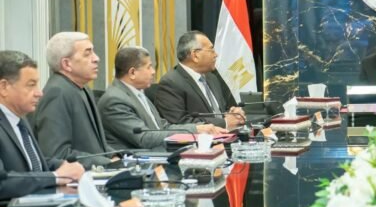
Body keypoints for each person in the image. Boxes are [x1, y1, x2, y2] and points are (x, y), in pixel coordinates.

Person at [99, 46, 227, 151]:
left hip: (157, 155)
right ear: (132, 72)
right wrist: (194, 132)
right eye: (149, 67)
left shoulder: (137, 93)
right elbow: (143, 138)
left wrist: (199, 128)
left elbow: (162, 127)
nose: (153, 72)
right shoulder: (115, 100)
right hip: (134, 163)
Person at [0, 51, 85, 200]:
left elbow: (30, 164)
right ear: (4, 87)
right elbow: (3, 183)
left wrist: (60, 165)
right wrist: (55, 176)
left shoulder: (19, 119)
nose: (39, 93)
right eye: (31, 85)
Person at [35, 32, 116, 168]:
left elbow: (94, 144)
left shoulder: (82, 88)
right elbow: (57, 154)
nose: (96, 58)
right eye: (87, 54)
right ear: (67, 64)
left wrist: (114, 156)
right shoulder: (57, 93)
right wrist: (105, 162)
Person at [154, 31, 245, 129]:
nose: (216, 54)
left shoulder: (212, 78)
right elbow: (180, 122)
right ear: (195, 55)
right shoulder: (171, 83)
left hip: (226, 136)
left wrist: (233, 114)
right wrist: (224, 123)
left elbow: (220, 111)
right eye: (211, 50)